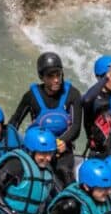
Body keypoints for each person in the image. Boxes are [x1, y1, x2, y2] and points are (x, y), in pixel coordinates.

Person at [8, 52, 82, 188]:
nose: (56, 80)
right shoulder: (31, 96)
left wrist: (63, 141)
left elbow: (76, 127)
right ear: (42, 77)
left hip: (62, 149)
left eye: (58, 74)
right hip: (37, 150)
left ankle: (73, 200)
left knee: (63, 171)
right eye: (50, 76)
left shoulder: (73, 94)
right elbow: (14, 123)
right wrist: (9, 147)